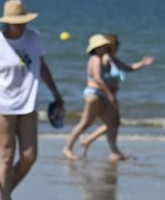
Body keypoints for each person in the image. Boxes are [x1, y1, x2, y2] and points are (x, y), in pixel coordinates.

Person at [0, 0, 63, 200]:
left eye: (22, 22)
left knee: (30, 155)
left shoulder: (34, 38)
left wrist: (56, 93)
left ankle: (5, 188)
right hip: (1, 105)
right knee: (7, 154)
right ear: (7, 22)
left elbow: (42, 67)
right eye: (16, 23)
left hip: (28, 104)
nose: (20, 26)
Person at [62, 33, 154, 161]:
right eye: (103, 46)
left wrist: (142, 63)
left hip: (102, 95)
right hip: (94, 94)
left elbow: (128, 68)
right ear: (96, 48)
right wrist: (110, 94)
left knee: (112, 123)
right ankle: (68, 148)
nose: (106, 48)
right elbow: (98, 79)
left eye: (106, 46)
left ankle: (114, 151)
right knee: (85, 124)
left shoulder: (106, 58)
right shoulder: (96, 59)